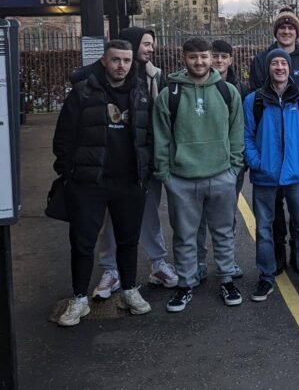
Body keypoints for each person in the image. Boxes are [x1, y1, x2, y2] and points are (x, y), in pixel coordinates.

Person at [52, 40, 153, 326]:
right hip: (89, 183)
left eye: (126, 60)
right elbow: (63, 138)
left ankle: (129, 290)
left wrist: (147, 169)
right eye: (116, 60)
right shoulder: (82, 92)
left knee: (128, 240)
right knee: (82, 242)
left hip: (129, 182)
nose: (121, 66)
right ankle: (79, 298)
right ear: (105, 61)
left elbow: (150, 136)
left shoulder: (140, 92)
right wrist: (70, 173)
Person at [73, 27, 177, 300]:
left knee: (150, 216)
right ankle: (110, 271)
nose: (150, 49)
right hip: (107, 167)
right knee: (109, 223)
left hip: (143, 161)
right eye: (146, 44)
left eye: (151, 44)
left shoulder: (155, 76)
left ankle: (158, 264)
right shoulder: (96, 79)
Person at [153, 38, 245, 312]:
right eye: (193, 57)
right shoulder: (169, 94)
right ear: (184, 58)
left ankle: (227, 279)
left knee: (223, 232)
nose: (200, 62)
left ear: (211, 58)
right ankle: (185, 284)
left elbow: (236, 133)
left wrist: (233, 168)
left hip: (220, 176)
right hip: (182, 179)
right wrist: (166, 174)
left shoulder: (227, 92)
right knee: (184, 235)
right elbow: (161, 137)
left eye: (204, 57)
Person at [249, 8, 299, 273]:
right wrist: (257, 160)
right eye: (281, 27)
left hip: (294, 159)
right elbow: (255, 105)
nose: (286, 31)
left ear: (297, 31)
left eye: (291, 27)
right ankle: (276, 260)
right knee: (271, 221)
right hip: (268, 162)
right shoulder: (261, 60)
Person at [194, 39, 250, 280]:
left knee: (227, 216)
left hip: (230, 164)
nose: (218, 61)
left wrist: (238, 161)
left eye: (222, 56)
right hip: (200, 162)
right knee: (198, 218)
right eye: (214, 56)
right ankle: (198, 261)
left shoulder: (241, 88)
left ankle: (227, 261)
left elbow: (244, 127)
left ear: (230, 59)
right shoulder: (194, 86)